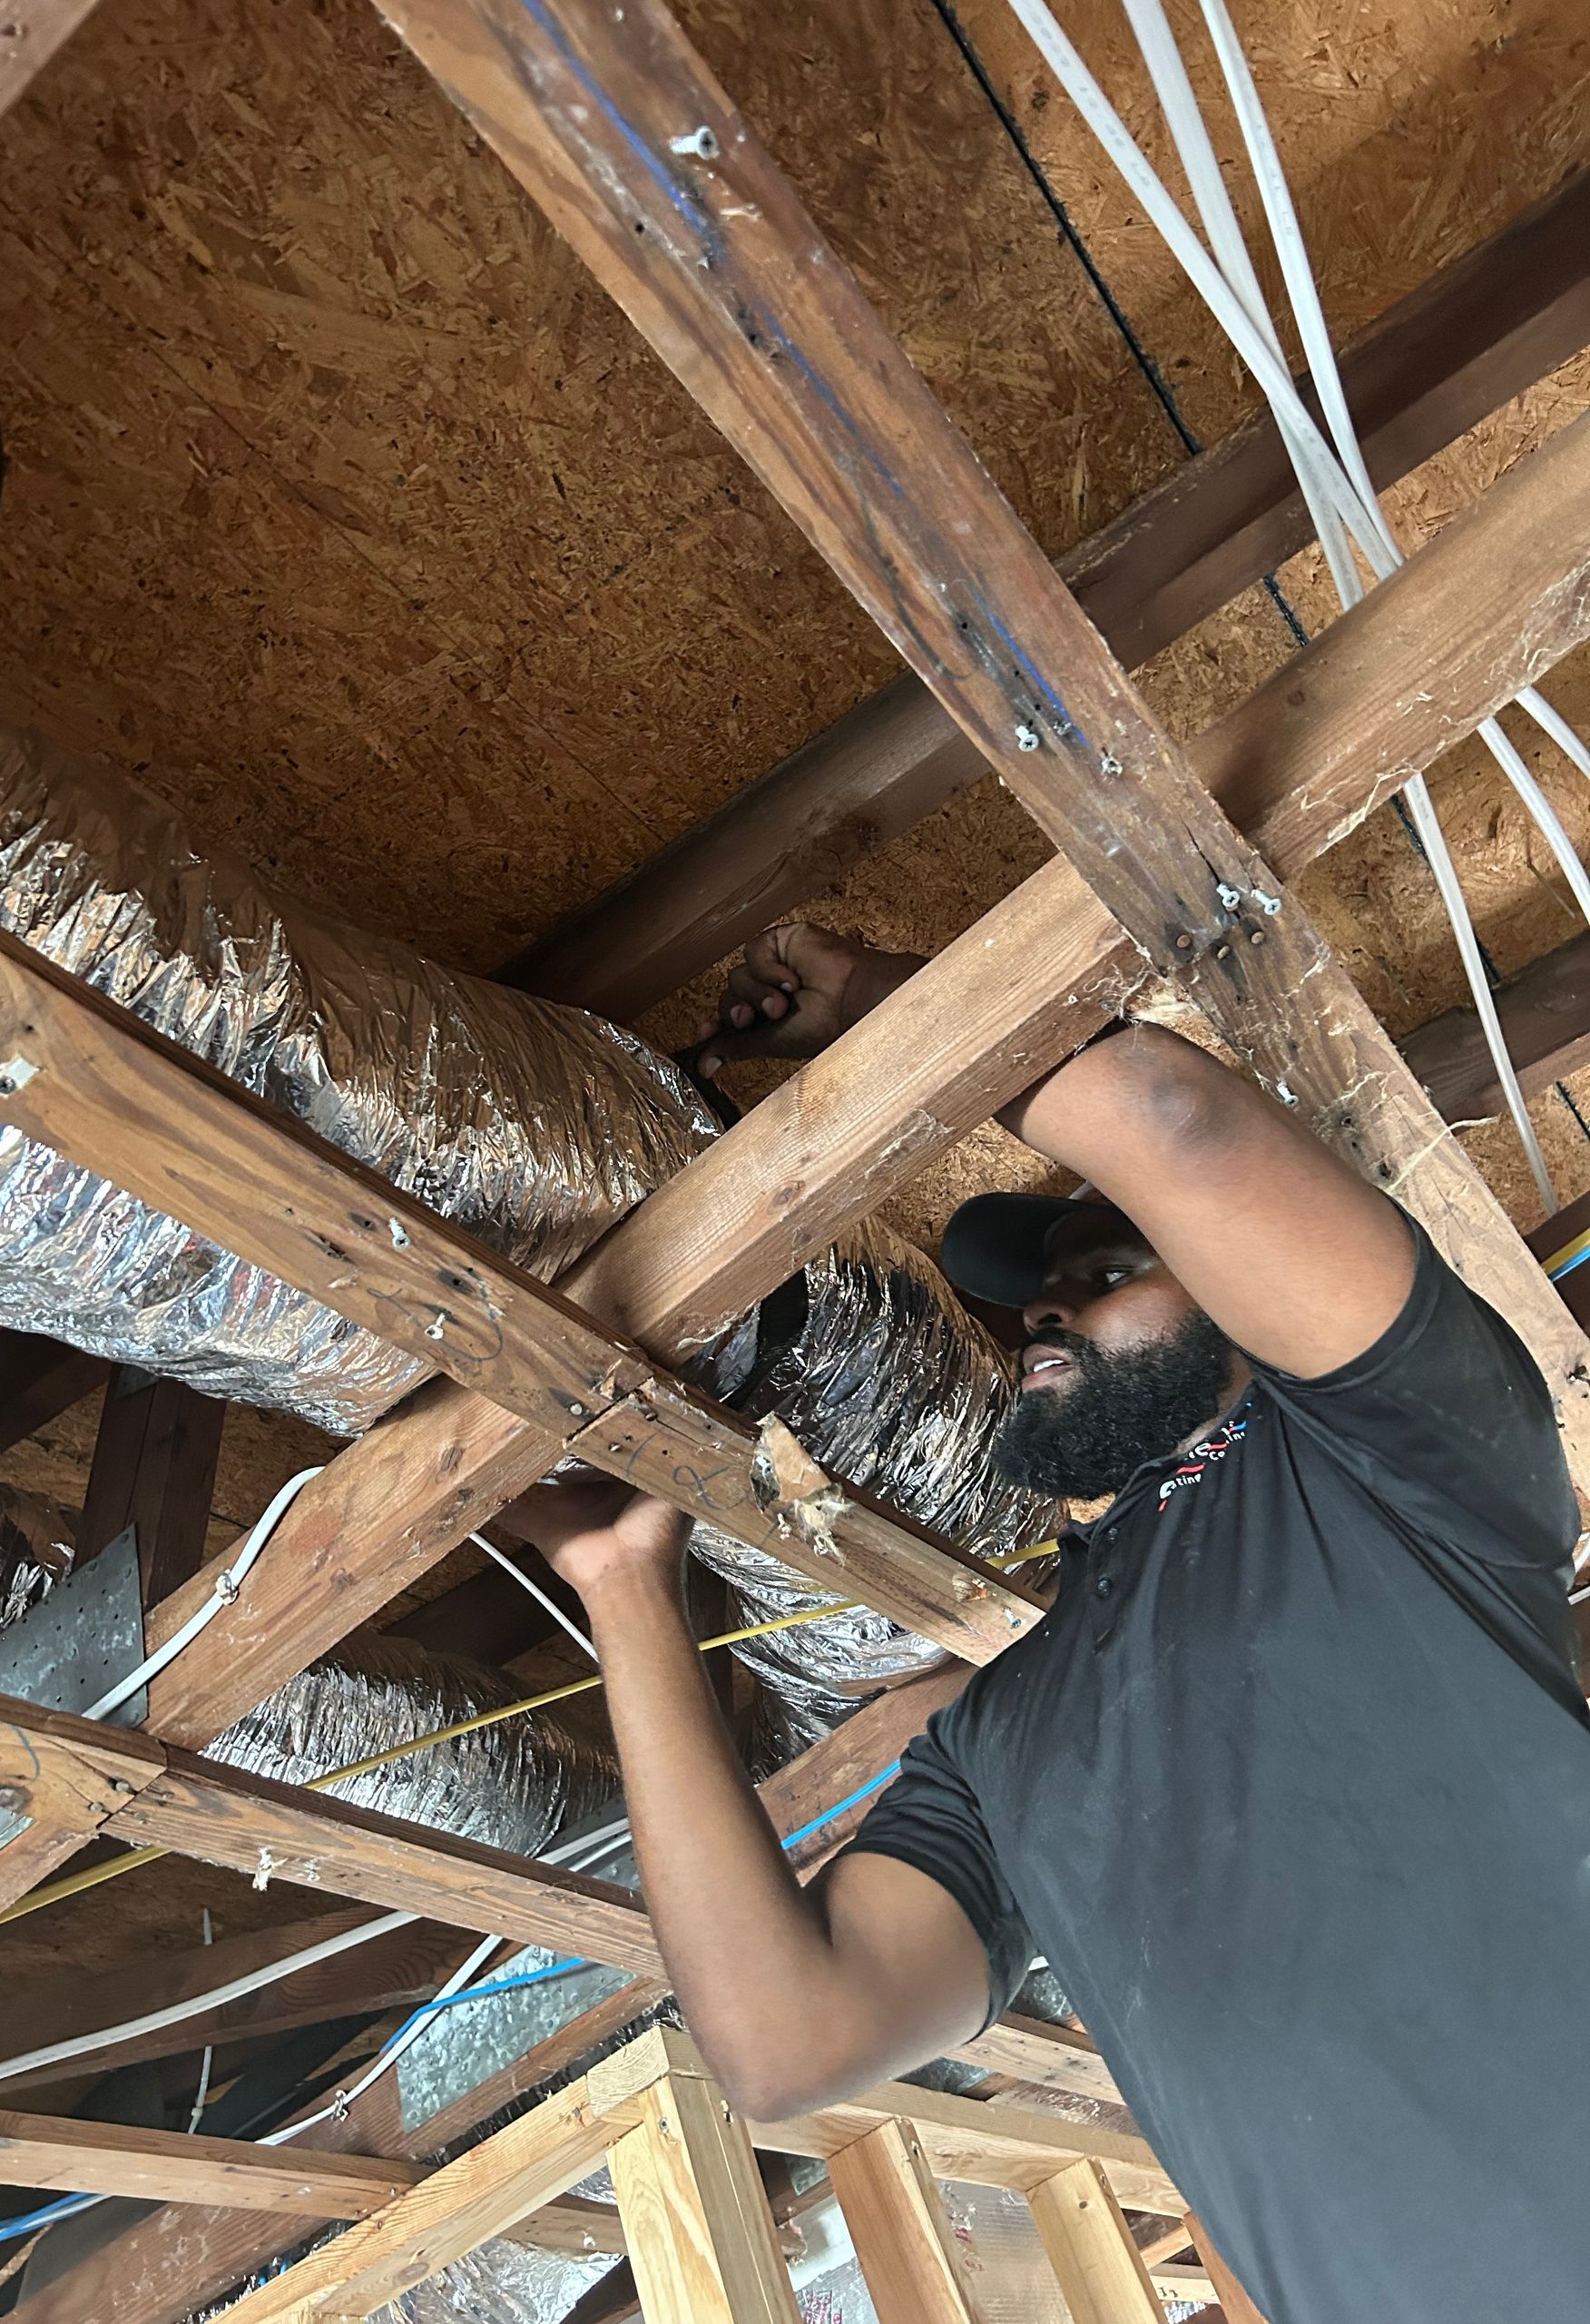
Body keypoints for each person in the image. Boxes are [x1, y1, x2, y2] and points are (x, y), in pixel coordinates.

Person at [505, 922, 1590, 2324]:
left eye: (1109, 1267)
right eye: (1041, 1287)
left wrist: (889, 1010)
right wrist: (626, 1581)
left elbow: (1175, 1118)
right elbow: (788, 2044)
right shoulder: (1000, 1735)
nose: (1044, 1308)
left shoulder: (1401, 1457)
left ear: (1252, 1307)